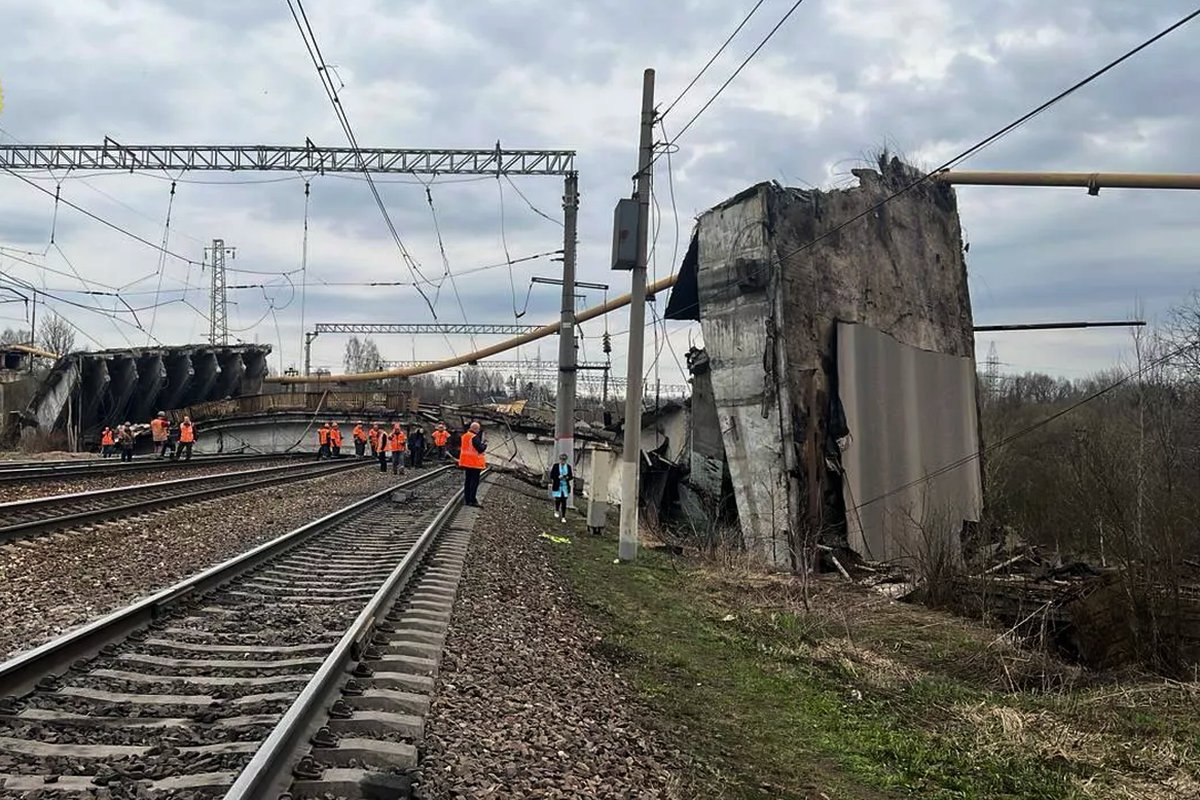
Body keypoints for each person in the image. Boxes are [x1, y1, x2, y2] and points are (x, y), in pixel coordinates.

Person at [458, 421, 486, 507]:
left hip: (466, 462)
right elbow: (480, 449)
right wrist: (485, 445)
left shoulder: (464, 436)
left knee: (467, 481)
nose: (478, 431)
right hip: (474, 463)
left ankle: (467, 500)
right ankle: (472, 500)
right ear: (475, 429)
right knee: (474, 482)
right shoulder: (474, 437)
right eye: (478, 429)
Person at [548, 452, 573, 522]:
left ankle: (563, 516)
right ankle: (556, 510)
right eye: (561, 460)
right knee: (558, 499)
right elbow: (552, 475)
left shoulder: (568, 467)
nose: (563, 461)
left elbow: (571, 476)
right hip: (557, 485)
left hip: (565, 486)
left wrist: (567, 477)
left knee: (564, 501)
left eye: (564, 460)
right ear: (560, 460)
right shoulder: (556, 466)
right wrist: (558, 477)